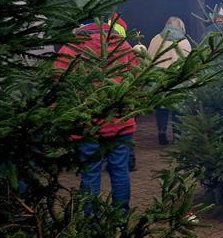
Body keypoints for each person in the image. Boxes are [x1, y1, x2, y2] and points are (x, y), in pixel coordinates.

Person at [54, 15, 138, 212]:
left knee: (90, 173)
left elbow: (58, 80)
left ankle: (90, 218)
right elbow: (137, 77)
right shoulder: (123, 45)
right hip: (120, 121)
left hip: (86, 124)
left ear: (81, 24)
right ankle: (121, 215)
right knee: (120, 170)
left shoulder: (71, 47)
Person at [147, 16, 192, 145]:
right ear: (181, 27)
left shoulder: (156, 39)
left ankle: (161, 133)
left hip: (159, 80)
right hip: (178, 81)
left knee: (161, 108)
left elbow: (148, 60)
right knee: (178, 109)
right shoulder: (184, 42)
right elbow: (189, 64)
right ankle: (177, 136)